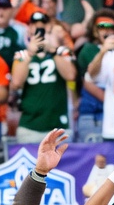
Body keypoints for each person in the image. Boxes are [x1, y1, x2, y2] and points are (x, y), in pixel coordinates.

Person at [11, 14, 75, 142]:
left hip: (58, 127)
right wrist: (30, 53)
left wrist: (51, 50)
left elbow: (71, 75)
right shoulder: (21, 54)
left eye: (42, 24)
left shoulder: (61, 51)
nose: (38, 27)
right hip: (29, 127)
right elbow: (16, 82)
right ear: (29, 28)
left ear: (49, 27)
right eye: (34, 24)